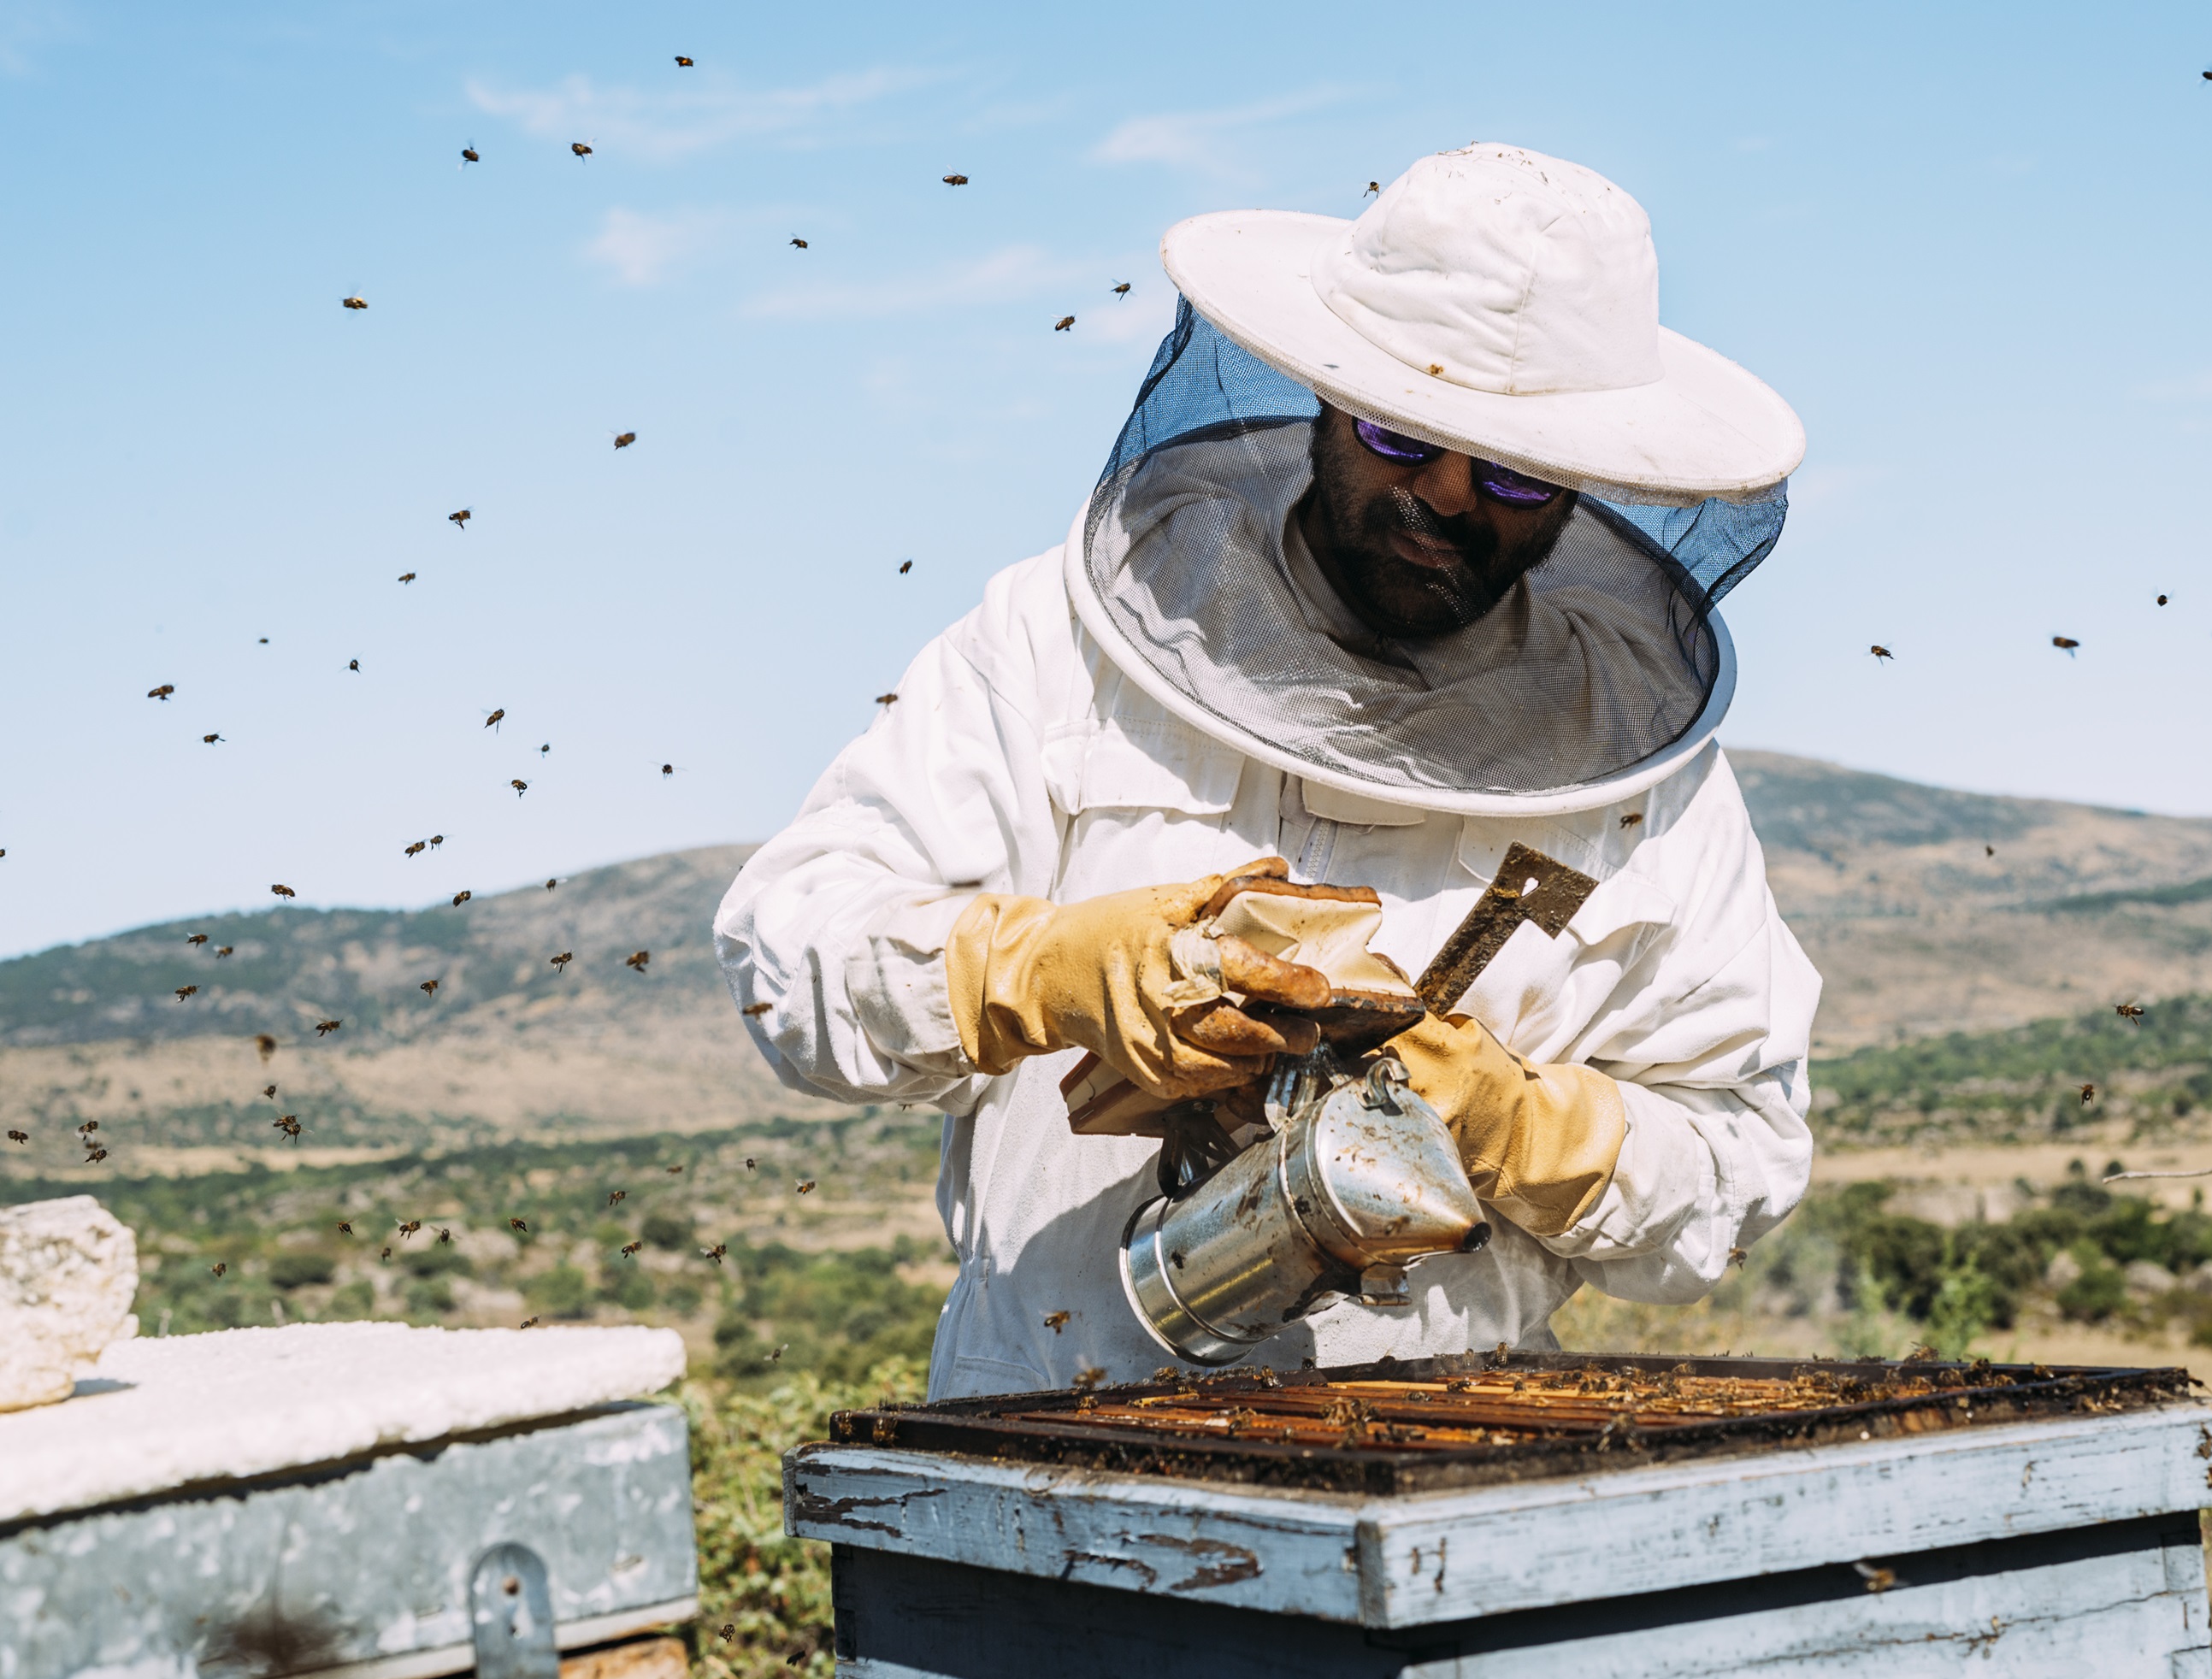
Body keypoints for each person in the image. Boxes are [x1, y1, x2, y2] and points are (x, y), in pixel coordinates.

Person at [717, 142, 1822, 1401]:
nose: (1448, 499)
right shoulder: (1058, 642)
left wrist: (1523, 1128)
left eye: (1514, 475)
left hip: (1453, 1438)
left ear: (1585, 486)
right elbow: (787, 950)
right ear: (1328, 398)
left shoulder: (1640, 767)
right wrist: (1030, 973)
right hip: (1043, 1411)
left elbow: (1743, 1160)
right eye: (1407, 441)